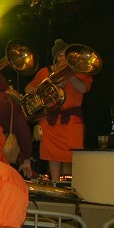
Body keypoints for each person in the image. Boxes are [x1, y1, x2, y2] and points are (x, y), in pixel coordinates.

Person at [26, 39, 92, 181]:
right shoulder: (44, 72)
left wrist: (69, 73)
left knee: (74, 154)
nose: (64, 58)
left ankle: (77, 184)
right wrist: (30, 89)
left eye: (68, 55)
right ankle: (55, 183)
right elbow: (30, 87)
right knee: (52, 155)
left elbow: (83, 88)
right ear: (55, 57)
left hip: (71, 118)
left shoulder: (79, 70)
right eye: (61, 55)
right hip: (50, 119)